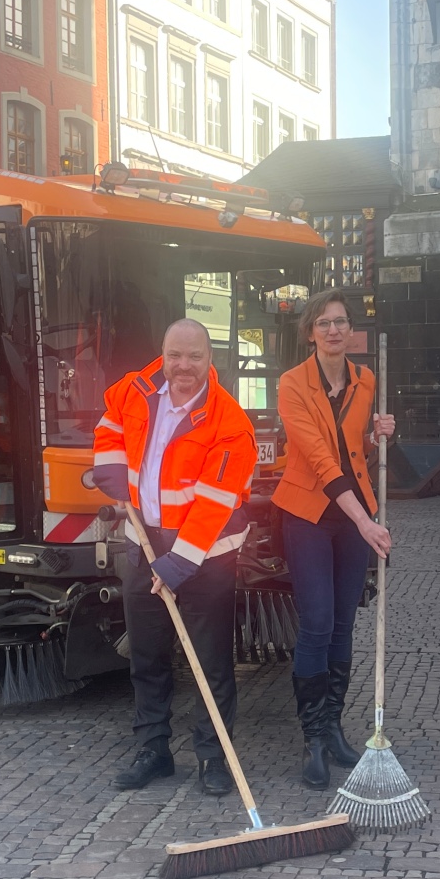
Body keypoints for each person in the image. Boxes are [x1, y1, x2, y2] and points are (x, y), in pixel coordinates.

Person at [90, 319, 259, 797]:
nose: (183, 366)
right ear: (163, 354)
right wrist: (110, 469)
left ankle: (214, 755)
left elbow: (212, 508)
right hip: (143, 541)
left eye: (195, 357)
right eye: (175, 356)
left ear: (211, 360)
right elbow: (108, 425)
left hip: (206, 555)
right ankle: (153, 749)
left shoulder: (230, 424)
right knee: (147, 653)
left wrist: (176, 564)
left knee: (210, 661)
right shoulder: (135, 389)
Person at [273, 289, 396, 788]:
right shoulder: (291, 384)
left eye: (341, 322)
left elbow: (351, 450)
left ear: (351, 331)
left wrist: (377, 435)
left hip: (353, 515)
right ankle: (313, 739)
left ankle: (335, 727)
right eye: (323, 323)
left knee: (344, 624)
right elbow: (322, 460)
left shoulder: (367, 381)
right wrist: (367, 521)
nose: (333, 330)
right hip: (307, 512)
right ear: (310, 332)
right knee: (318, 623)